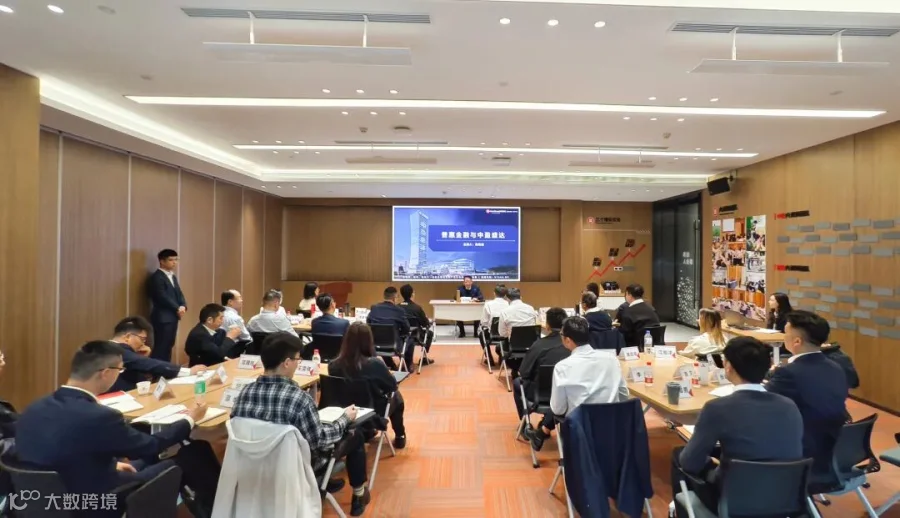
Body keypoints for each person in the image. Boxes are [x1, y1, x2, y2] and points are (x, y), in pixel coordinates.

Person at [15, 341, 208, 513]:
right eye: (120, 371)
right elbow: (150, 445)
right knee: (190, 456)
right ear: (106, 373)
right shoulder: (100, 416)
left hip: (44, 500)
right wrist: (189, 419)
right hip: (92, 501)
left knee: (148, 460)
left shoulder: (34, 407)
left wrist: (112, 465)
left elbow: (59, 447)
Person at [230, 333, 370, 516]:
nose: (299, 363)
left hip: (251, 467)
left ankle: (328, 482)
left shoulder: (244, 393)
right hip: (294, 467)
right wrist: (344, 419)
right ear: (287, 363)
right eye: (298, 359)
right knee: (355, 434)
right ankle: (359, 493)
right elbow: (319, 440)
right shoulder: (299, 399)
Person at [672, 336, 803, 515]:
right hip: (784, 496)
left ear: (728, 367)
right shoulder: (789, 406)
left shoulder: (717, 408)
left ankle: (681, 509)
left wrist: (710, 464)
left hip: (733, 499)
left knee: (680, 456)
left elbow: (689, 462)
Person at [766, 310, 848, 473]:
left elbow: (761, 402)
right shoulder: (836, 367)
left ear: (797, 341)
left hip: (804, 450)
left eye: (785, 333)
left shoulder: (789, 373)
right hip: (836, 445)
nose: (783, 337)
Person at [530, 316, 629, 450]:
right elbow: (623, 394)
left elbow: (558, 408)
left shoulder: (562, 367)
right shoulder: (611, 359)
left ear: (568, 340)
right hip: (611, 425)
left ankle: (542, 433)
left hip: (580, 427)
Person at [329, 322, 408, 449]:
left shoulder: (333, 365)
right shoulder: (375, 364)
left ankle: (367, 431)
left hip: (345, 410)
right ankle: (400, 435)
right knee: (396, 397)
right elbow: (392, 386)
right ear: (369, 341)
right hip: (372, 411)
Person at [514, 308, 570, 451]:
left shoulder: (538, 345)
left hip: (540, 396)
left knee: (517, 383)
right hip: (567, 395)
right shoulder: (572, 346)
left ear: (547, 325)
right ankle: (546, 421)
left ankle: (525, 423)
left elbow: (523, 372)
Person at [108, 316, 207, 393]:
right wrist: (188, 371)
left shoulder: (115, 350)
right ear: (128, 337)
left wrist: (143, 357)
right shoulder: (115, 350)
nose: (143, 344)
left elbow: (140, 367)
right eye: (142, 339)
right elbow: (150, 364)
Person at [147, 248, 186, 361]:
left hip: (173, 316)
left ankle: (166, 368)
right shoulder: (157, 277)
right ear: (162, 261)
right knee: (161, 346)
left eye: (176, 259)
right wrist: (177, 307)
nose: (174, 262)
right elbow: (161, 296)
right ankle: (158, 370)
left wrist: (183, 305)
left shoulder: (172, 276)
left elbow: (179, 293)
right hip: (162, 317)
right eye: (171, 260)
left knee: (169, 345)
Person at [366, 286, 410, 370]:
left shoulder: (374, 308)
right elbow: (406, 329)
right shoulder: (399, 311)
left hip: (375, 345)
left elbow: (368, 323)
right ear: (394, 298)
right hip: (395, 345)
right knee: (409, 339)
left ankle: (391, 365)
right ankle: (407, 365)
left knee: (383, 339)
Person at [398, 284, 434, 367]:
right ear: (412, 294)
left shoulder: (397, 307)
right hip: (416, 336)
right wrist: (429, 321)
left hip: (400, 335)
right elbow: (425, 324)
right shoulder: (417, 308)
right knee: (429, 333)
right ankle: (424, 358)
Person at [617, 284, 660, 348]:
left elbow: (625, 333)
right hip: (654, 345)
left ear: (629, 295)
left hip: (635, 347)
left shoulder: (627, 311)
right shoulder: (651, 308)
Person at [480, 284, 509, 364]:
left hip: (492, 334)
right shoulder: (509, 304)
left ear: (494, 293)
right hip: (506, 334)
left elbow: (484, 322)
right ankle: (503, 356)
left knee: (481, 334)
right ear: (505, 295)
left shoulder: (488, 304)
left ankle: (489, 359)